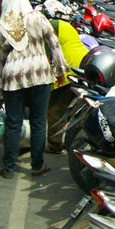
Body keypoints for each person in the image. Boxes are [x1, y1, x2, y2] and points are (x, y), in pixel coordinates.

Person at [0, 0, 68, 178]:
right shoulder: (37, 18)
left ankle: (9, 167)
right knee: (39, 122)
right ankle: (37, 165)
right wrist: (60, 72)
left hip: (12, 78)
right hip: (40, 74)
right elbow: (54, 45)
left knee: (13, 122)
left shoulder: (2, 27)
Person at [46, 20, 88, 153]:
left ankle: (55, 145)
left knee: (54, 110)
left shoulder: (47, 28)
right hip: (83, 62)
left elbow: (46, 55)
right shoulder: (61, 24)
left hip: (68, 68)